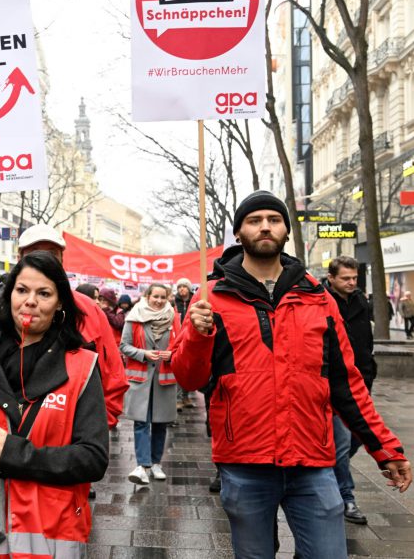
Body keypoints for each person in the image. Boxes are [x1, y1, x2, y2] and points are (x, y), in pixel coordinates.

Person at [174, 191, 411, 558]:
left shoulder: (317, 296)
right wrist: (197, 336)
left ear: (286, 230)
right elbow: (189, 378)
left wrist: (385, 448)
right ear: (239, 233)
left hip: (311, 460)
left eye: (273, 219)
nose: (265, 226)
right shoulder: (211, 296)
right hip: (244, 463)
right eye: (254, 220)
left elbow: (347, 384)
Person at [0, 252, 109, 555]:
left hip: (50, 539)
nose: (30, 301)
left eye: (44, 293)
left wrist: (13, 454)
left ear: (59, 305)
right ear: (8, 296)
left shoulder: (82, 367)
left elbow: (93, 459)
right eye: (22, 290)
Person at [0, 225, 129, 429]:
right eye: (35, 253)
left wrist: (94, 429)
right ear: (20, 258)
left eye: (51, 254)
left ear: (62, 260)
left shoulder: (88, 310)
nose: (43, 260)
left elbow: (112, 375)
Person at [324, 256, 377, 525]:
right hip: (335, 387)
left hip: (361, 383)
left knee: (357, 439)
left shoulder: (360, 301)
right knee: (343, 443)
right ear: (331, 278)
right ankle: (346, 497)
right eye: (345, 278)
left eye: (354, 278)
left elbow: (365, 342)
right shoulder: (321, 301)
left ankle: (329, 471)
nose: (352, 283)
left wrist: (369, 373)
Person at [120, 283, 180, 485]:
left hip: (164, 379)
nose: (159, 301)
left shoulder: (174, 318)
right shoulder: (134, 317)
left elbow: (182, 345)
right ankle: (142, 465)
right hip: (140, 379)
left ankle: (156, 463)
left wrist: (173, 354)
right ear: (147, 297)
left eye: (163, 297)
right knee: (141, 422)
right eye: (155, 296)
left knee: (161, 423)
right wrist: (144, 354)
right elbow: (124, 346)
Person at [173, 278, 196, 410]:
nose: (182, 289)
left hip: (191, 337)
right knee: (179, 368)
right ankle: (178, 398)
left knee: (189, 370)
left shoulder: (195, 300)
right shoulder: (173, 302)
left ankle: (186, 396)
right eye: (179, 286)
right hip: (178, 337)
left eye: (184, 286)